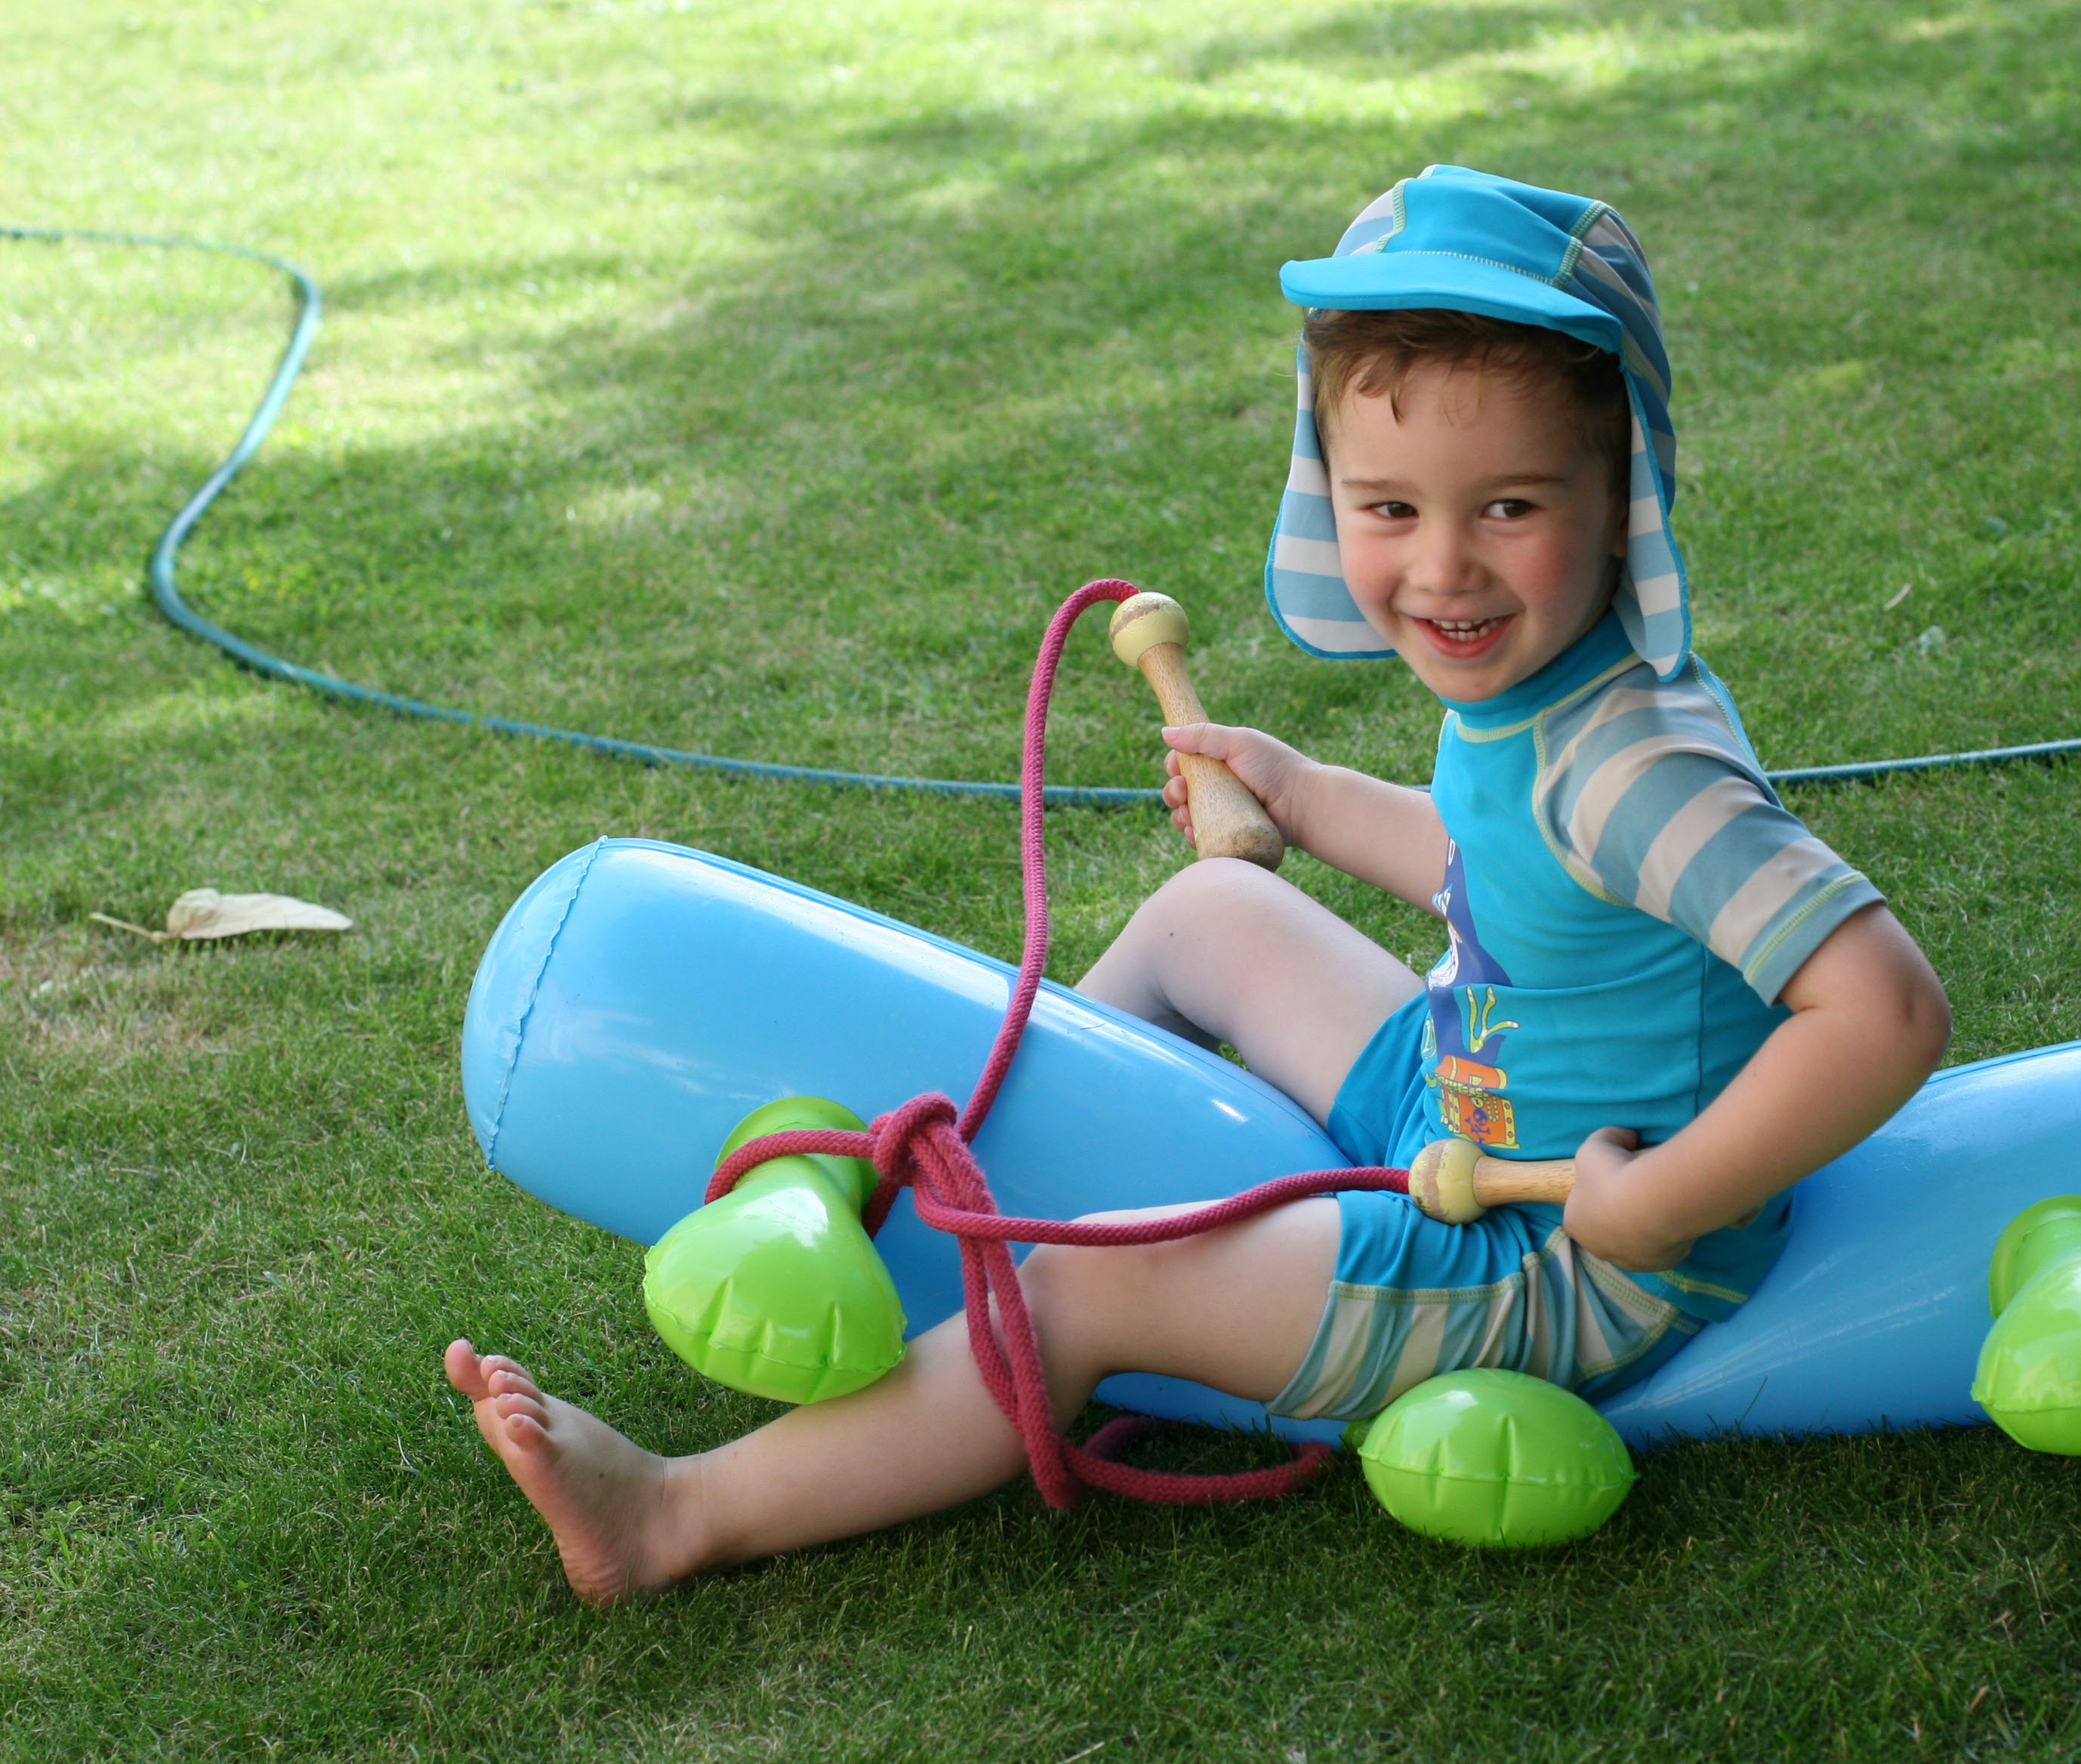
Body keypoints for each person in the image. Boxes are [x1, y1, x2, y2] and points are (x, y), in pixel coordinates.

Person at [445, 166, 1950, 1602]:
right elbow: (1502, 876)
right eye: (1392, 509)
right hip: (1469, 1104)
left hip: (1557, 1254)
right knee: (1210, 911)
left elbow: (1883, 1010)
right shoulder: (1542, 690)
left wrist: (1663, 1204)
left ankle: (679, 1515)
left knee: (1092, 1292)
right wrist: (1303, 794)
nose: (1444, 568)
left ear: (1619, 494)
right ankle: (1017, 1207)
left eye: (1508, 507)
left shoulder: (1637, 768)